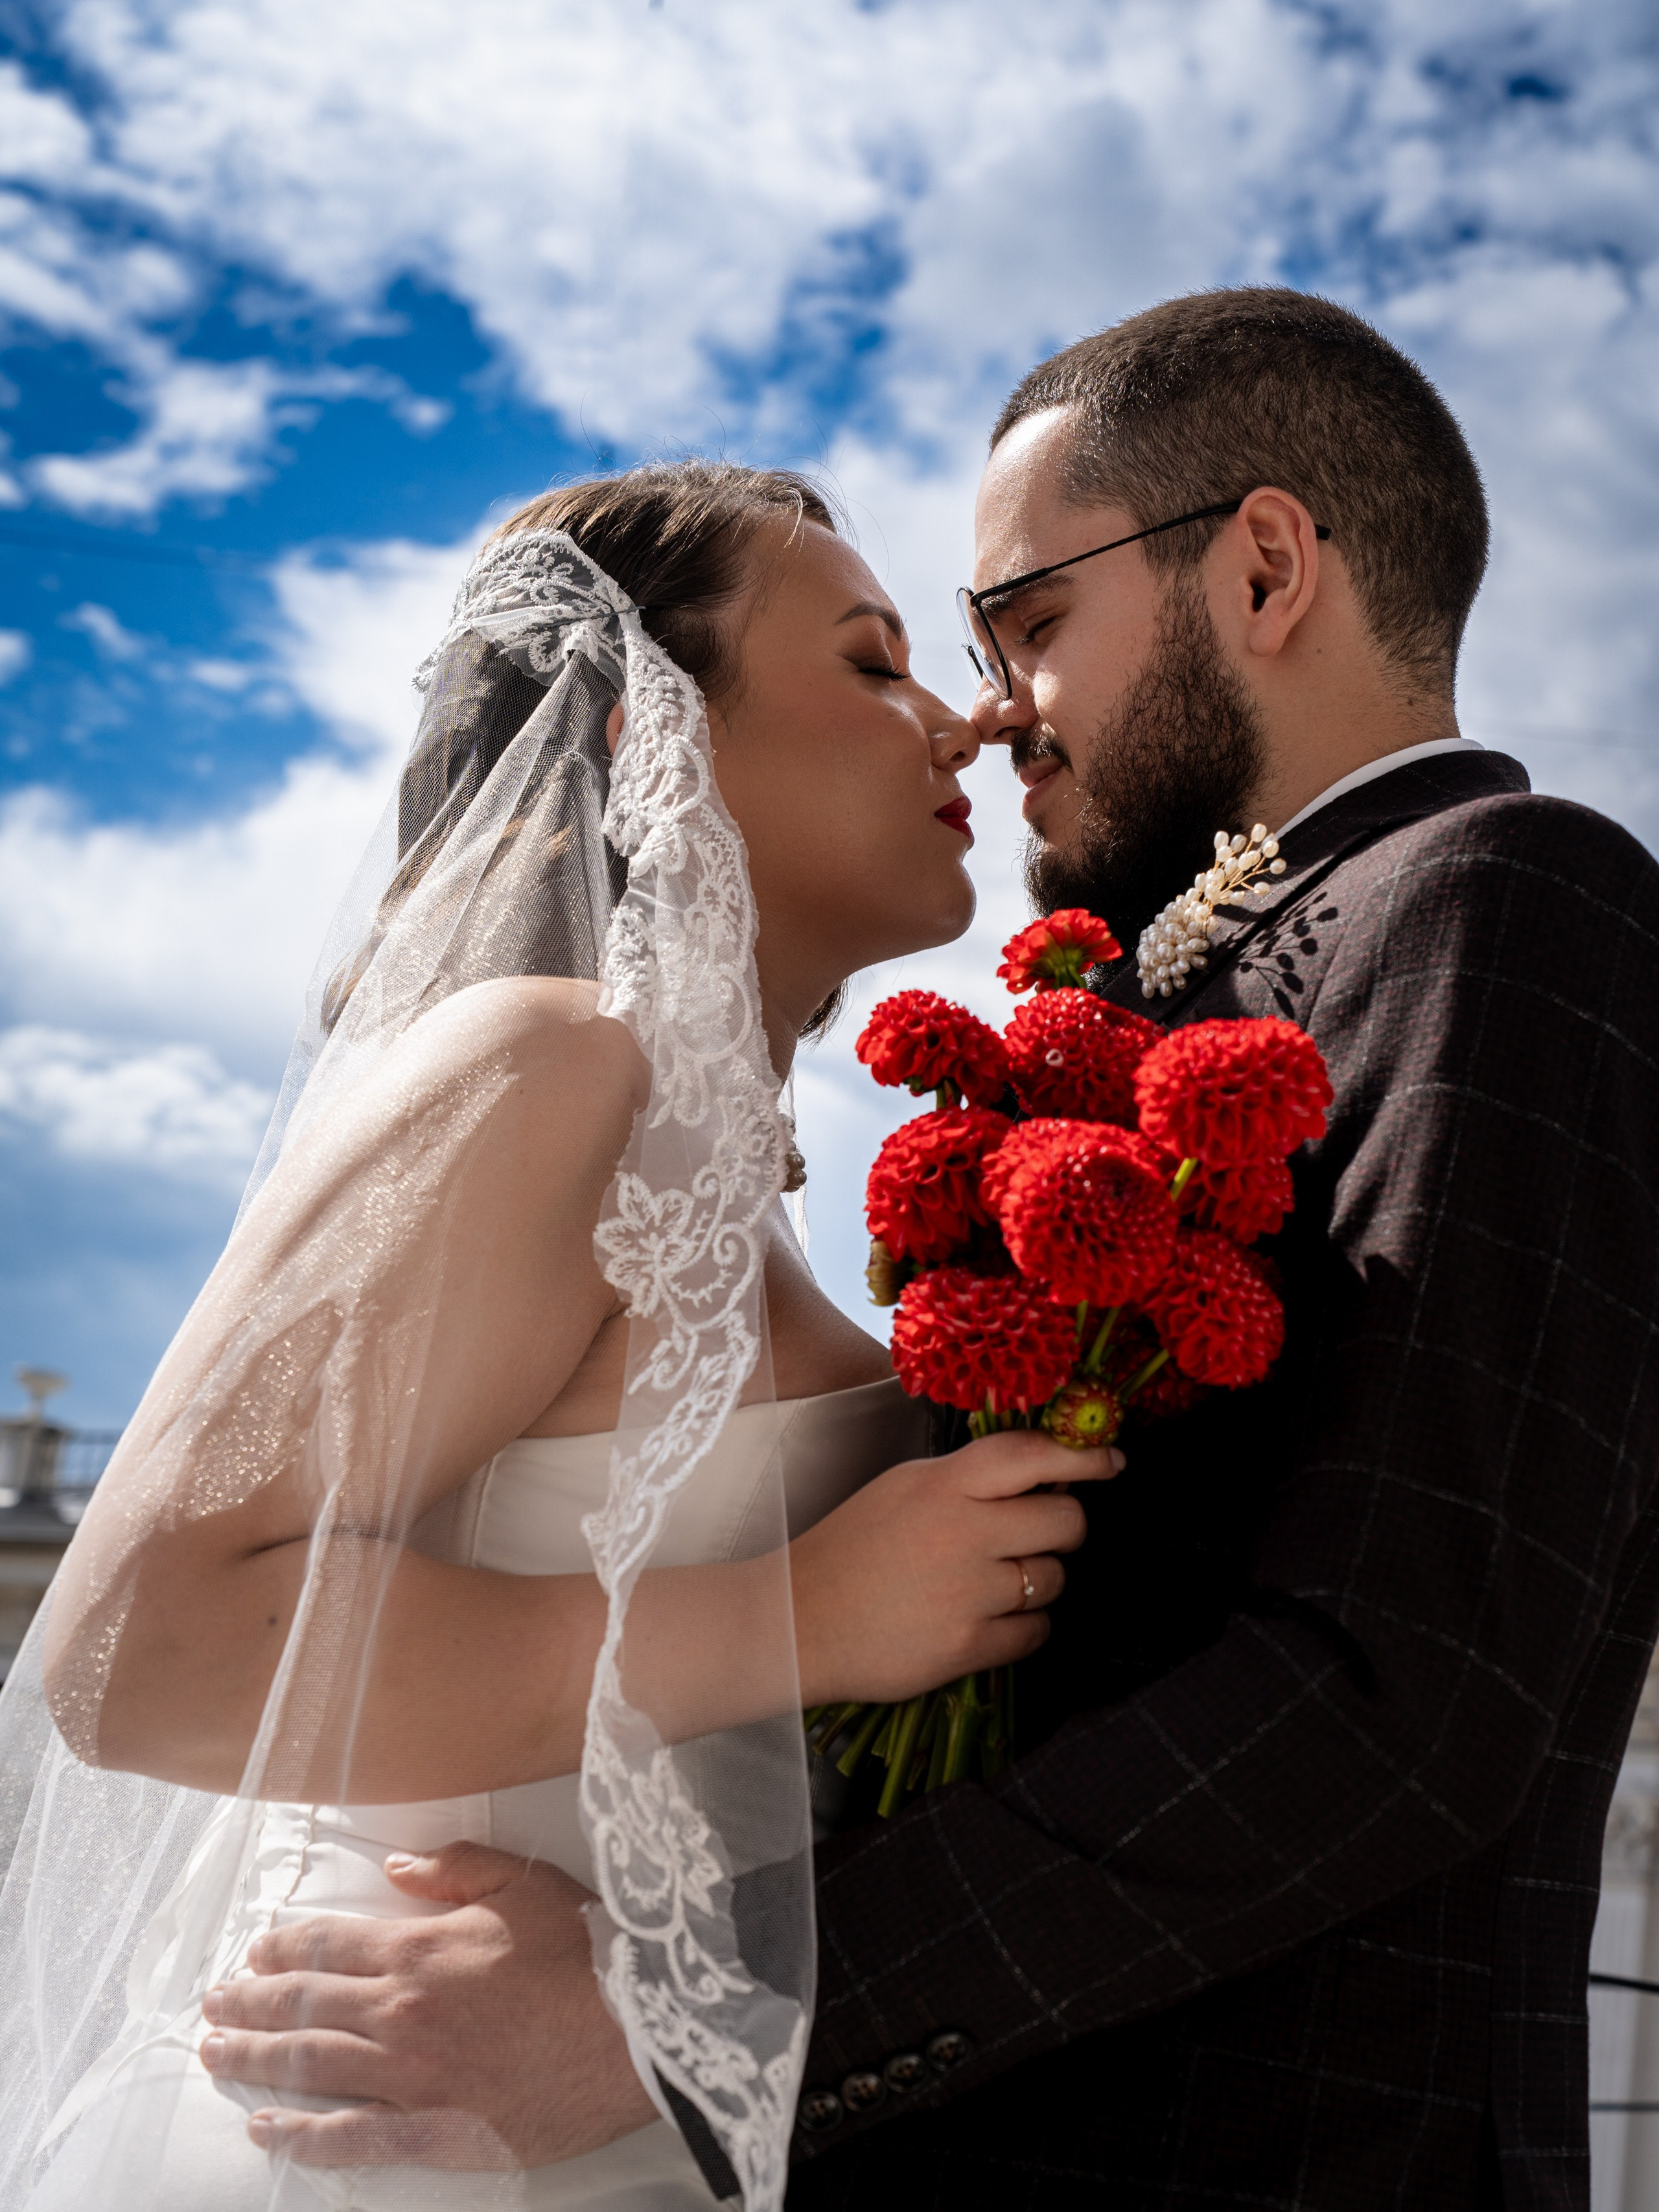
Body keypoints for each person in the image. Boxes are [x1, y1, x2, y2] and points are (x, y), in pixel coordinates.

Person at [196, 290, 1659, 2212]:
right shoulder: (1123, 1007)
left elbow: (1410, 1680)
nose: (985, 709)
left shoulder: (1513, 904)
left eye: (1027, 624)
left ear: (1269, 569)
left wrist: (683, 2015)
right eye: (925, 655)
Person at [0, 461, 1113, 2212]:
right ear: (636, 735)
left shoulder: (722, 1168)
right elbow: (138, 1651)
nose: (962, 720)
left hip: (599, 2118)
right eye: (873, 660)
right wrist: (807, 1617)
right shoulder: (542, 1059)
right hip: (380, 2142)